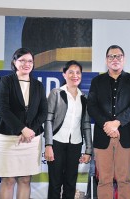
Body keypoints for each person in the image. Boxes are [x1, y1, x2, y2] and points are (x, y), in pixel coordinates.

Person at [87, 45, 130, 199]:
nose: (114, 59)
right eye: (111, 56)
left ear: (123, 59)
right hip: (103, 136)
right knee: (104, 180)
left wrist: (117, 123)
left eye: (118, 56)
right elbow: (91, 106)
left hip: (125, 135)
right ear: (106, 60)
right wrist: (107, 125)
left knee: (124, 179)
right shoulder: (97, 81)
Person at [0, 47, 48, 199]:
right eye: (22, 60)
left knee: (25, 179)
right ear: (14, 62)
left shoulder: (38, 85)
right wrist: (21, 129)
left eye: (30, 61)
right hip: (7, 137)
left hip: (31, 138)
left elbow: (43, 112)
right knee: (8, 179)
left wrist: (30, 130)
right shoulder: (5, 82)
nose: (26, 64)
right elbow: (3, 110)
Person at [44, 60, 92, 199]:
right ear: (64, 75)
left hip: (75, 144)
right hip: (57, 142)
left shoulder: (84, 98)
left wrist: (88, 150)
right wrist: (48, 144)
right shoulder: (56, 93)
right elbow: (48, 120)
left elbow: (86, 124)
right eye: (70, 72)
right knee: (55, 183)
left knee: (71, 183)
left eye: (78, 72)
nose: (74, 75)